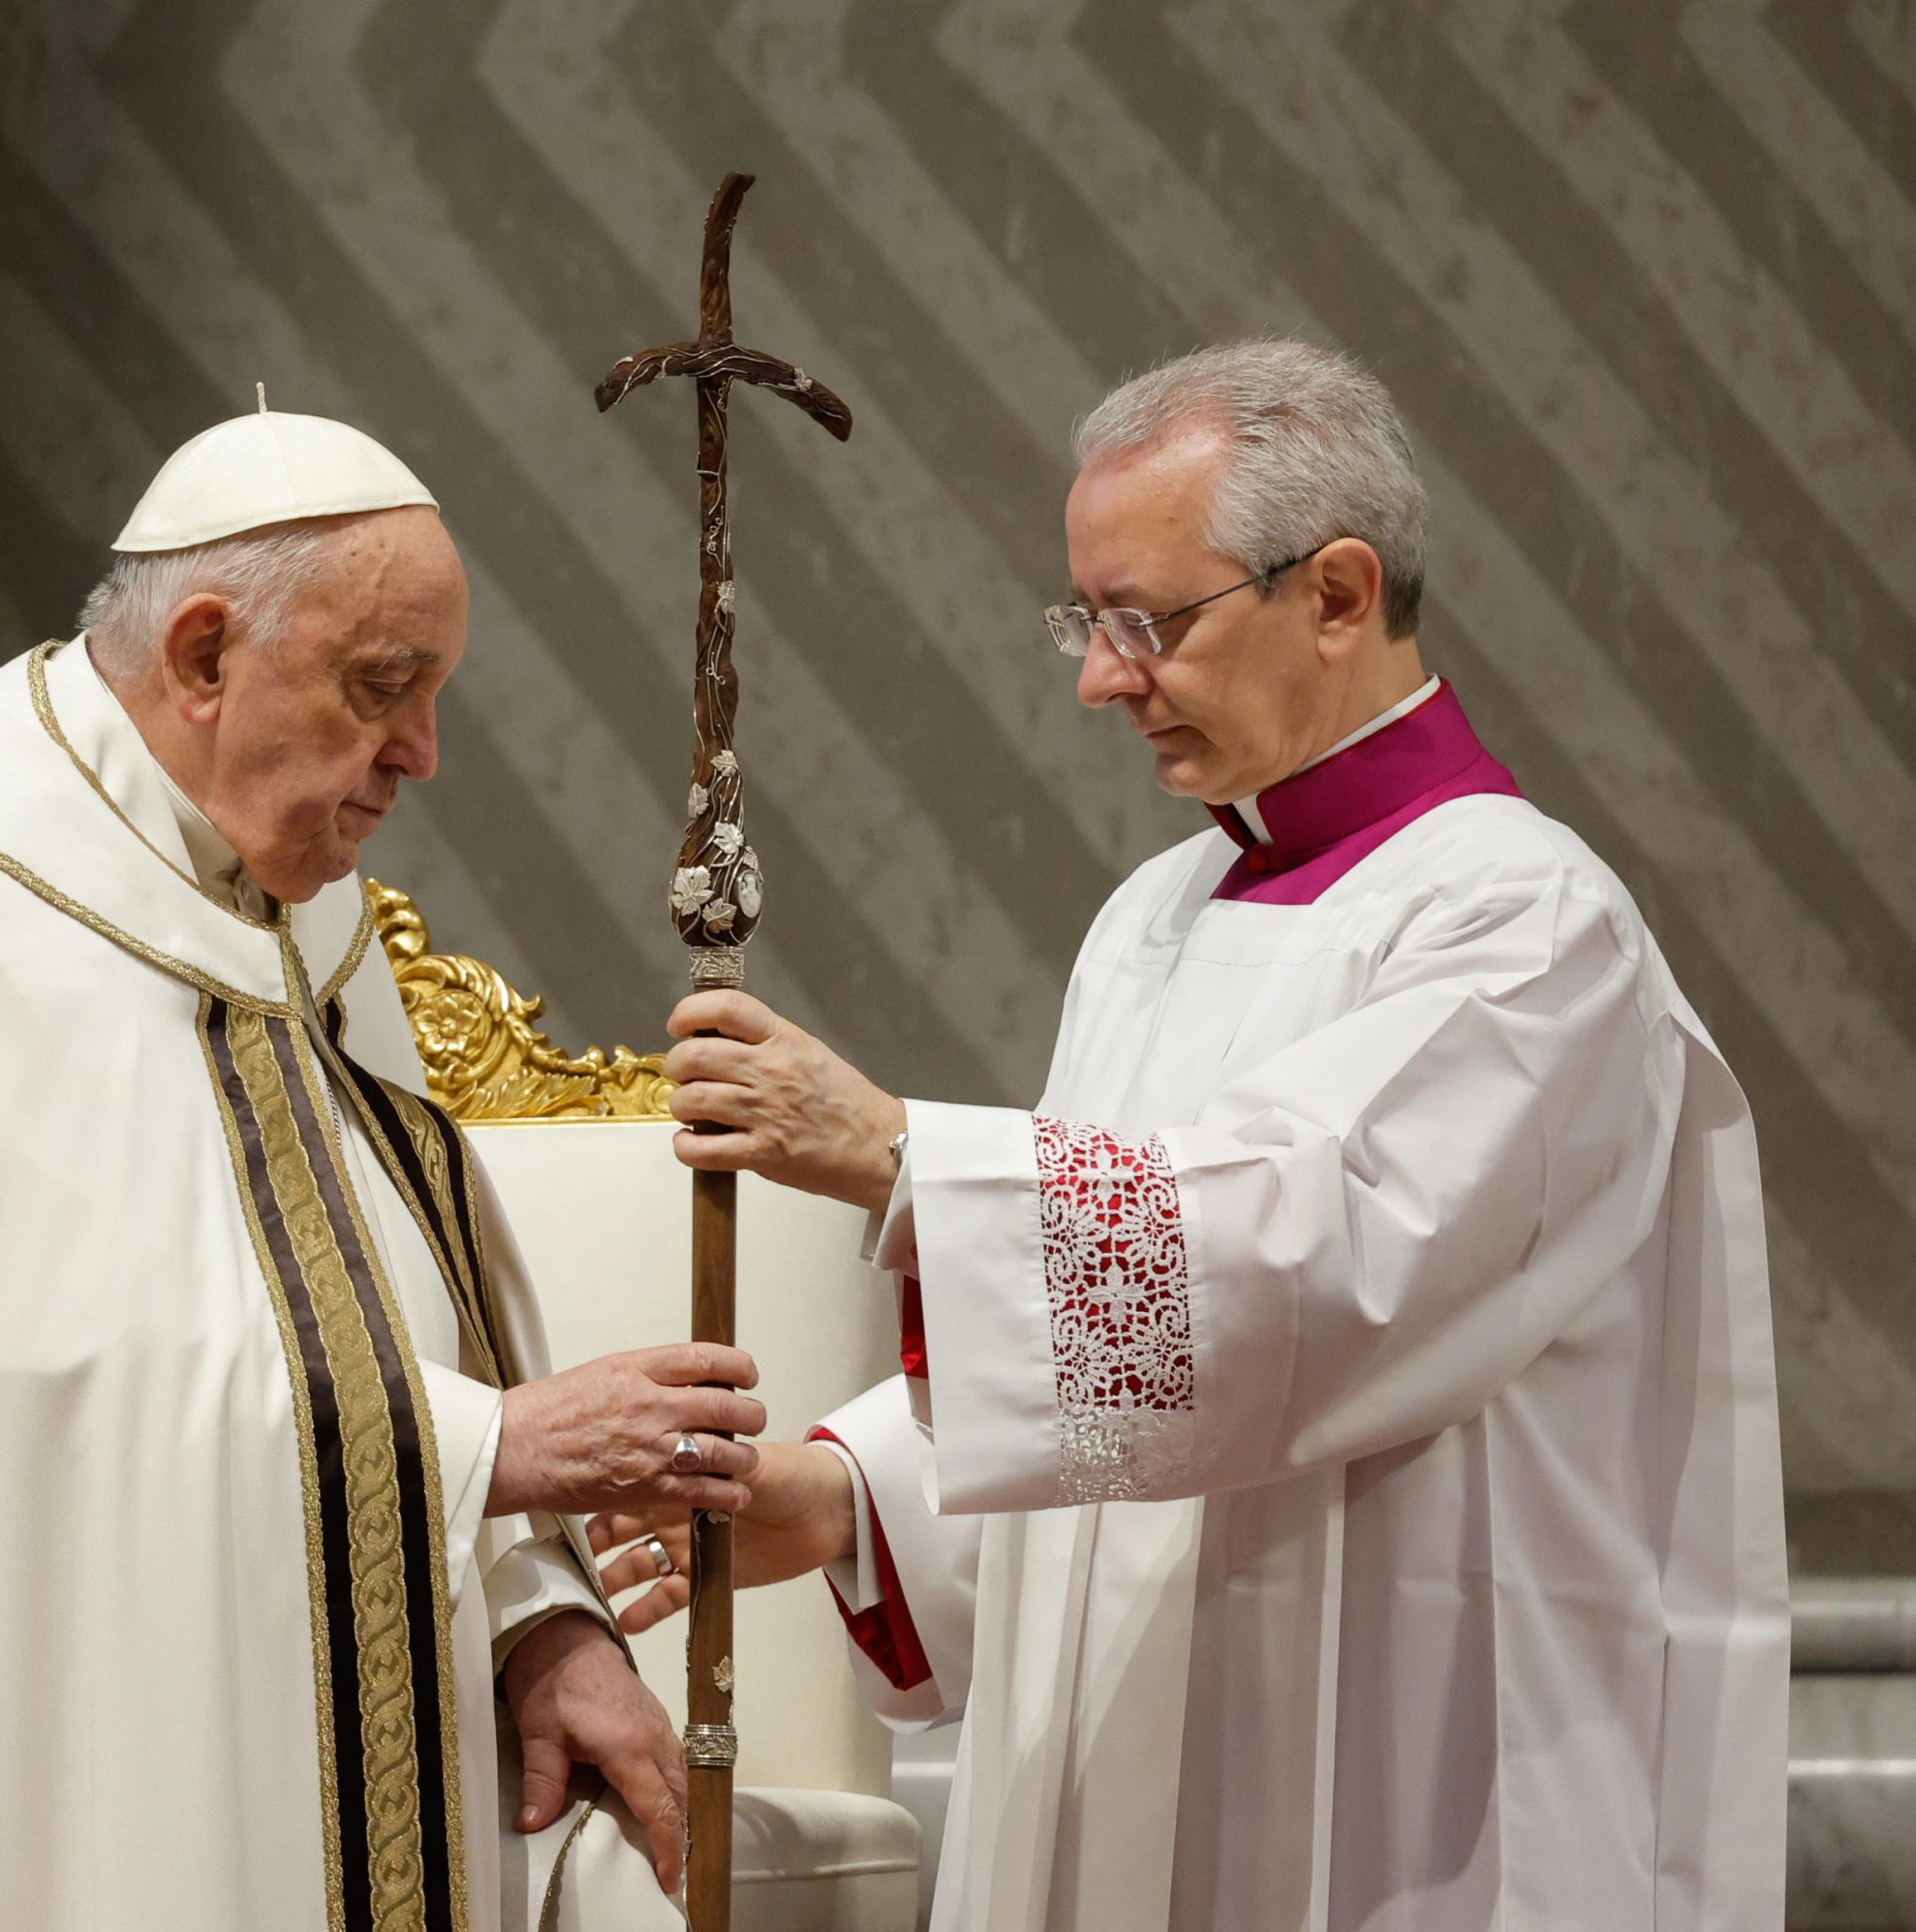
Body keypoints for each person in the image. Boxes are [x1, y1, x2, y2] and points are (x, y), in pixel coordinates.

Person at [594, 341, 1788, 1930]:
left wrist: (898, 1158)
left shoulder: (1527, 928)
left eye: (1147, 621)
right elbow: (1112, 1383)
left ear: (1339, 593)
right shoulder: (1155, 917)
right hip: (1123, 1785)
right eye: (1086, 621)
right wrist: (846, 1501)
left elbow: (1303, 1272)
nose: (1099, 674)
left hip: (1406, 1802)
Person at [0, 392, 757, 1931]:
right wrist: (491, 1450)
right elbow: (24, 1436)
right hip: (32, 1780)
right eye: (383, 686)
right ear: (202, 656)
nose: (424, 753)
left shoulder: (297, 923)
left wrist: (541, 1619)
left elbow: (401, 1321)